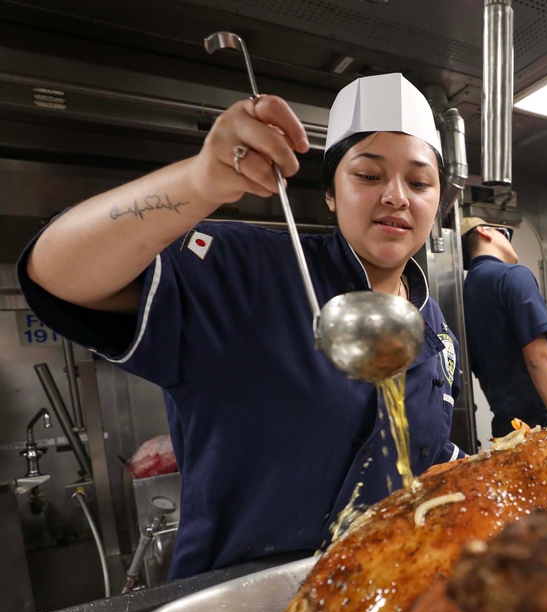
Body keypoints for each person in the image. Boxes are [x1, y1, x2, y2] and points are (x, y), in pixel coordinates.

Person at [17, 73, 463, 579]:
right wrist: (198, 182)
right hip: (240, 610)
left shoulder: (430, 320)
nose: (396, 196)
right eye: (368, 175)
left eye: (420, 182)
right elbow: (56, 276)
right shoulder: (247, 270)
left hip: (380, 597)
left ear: (437, 203)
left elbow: (430, 452)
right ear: (331, 194)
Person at [460, 218, 547, 439]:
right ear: (484, 232)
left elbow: (479, 370)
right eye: (506, 233)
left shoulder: (465, 292)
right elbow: (538, 357)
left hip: (505, 426)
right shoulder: (513, 275)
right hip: (543, 422)